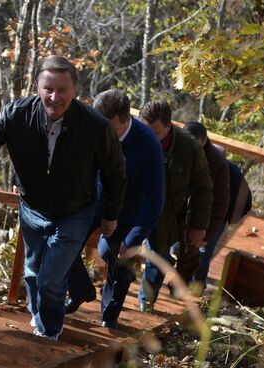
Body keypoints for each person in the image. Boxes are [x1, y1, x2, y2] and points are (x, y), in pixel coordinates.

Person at [0, 56, 127, 340]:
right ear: (37, 87)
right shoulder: (17, 114)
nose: (54, 97)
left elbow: (115, 173)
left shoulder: (96, 126)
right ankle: (40, 319)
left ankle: (48, 333)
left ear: (75, 91)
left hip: (75, 211)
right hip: (32, 207)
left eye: (62, 90)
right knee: (32, 273)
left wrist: (111, 214)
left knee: (50, 278)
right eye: (48, 88)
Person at [65, 89, 165, 327]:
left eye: (111, 128)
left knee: (117, 263)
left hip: (125, 212)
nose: (103, 134)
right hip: (88, 201)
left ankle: (108, 318)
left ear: (127, 119)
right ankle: (80, 290)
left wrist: (133, 239)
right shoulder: (89, 127)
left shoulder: (149, 146)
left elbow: (154, 199)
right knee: (63, 244)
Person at [137, 101, 213, 312]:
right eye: (145, 130)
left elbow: (203, 189)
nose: (150, 137)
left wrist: (198, 225)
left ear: (169, 127)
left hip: (166, 212)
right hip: (133, 207)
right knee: (114, 251)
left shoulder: (189, 149)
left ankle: (147, 300)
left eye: (156, 132)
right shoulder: (132, 135)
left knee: (157, 255)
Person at [175, 122, 230, 294]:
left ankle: (195, 288)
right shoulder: (176, 151)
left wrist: (208, 232)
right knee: (176, 250)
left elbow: (220, 203)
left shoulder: (218, 164)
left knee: (201, 252)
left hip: (208, 217)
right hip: (180, 214)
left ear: (204, 141)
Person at [192, 151, 252, 290]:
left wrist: (229, 219)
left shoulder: (233, 173)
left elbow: (247, 201)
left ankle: (198, 286)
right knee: (184, 247)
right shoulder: (199, 165)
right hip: (197, 213)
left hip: (218, 218)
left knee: (204, 251)